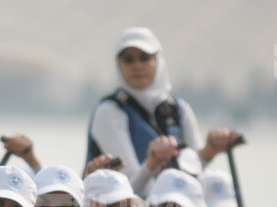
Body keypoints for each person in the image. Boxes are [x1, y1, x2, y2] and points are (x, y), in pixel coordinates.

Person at [85, 27, 240, 197]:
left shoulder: (179, 109)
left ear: (158, 61)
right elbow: (128, 192)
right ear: (118, 65)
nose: (137, 65)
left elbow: (195, 178)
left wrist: (209, 152)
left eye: (144, 58)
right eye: (128, 59)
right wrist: (152, 165)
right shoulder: (109, 111)